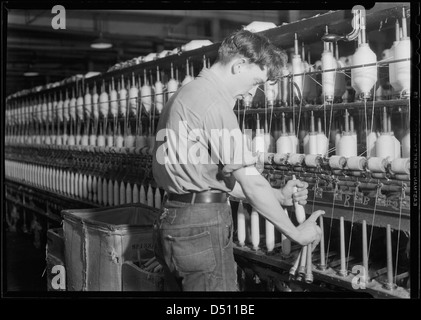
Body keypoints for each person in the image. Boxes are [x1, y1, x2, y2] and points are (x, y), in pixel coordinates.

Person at [152, 29, 324, 291]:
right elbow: (251, 185)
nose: (252, 93)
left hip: (175, 220)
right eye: (255, 82)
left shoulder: (185, 95)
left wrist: (277, 196)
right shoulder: (214, 104)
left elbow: (208, 177)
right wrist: (297, 233)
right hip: (201, 226)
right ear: (239, 65)